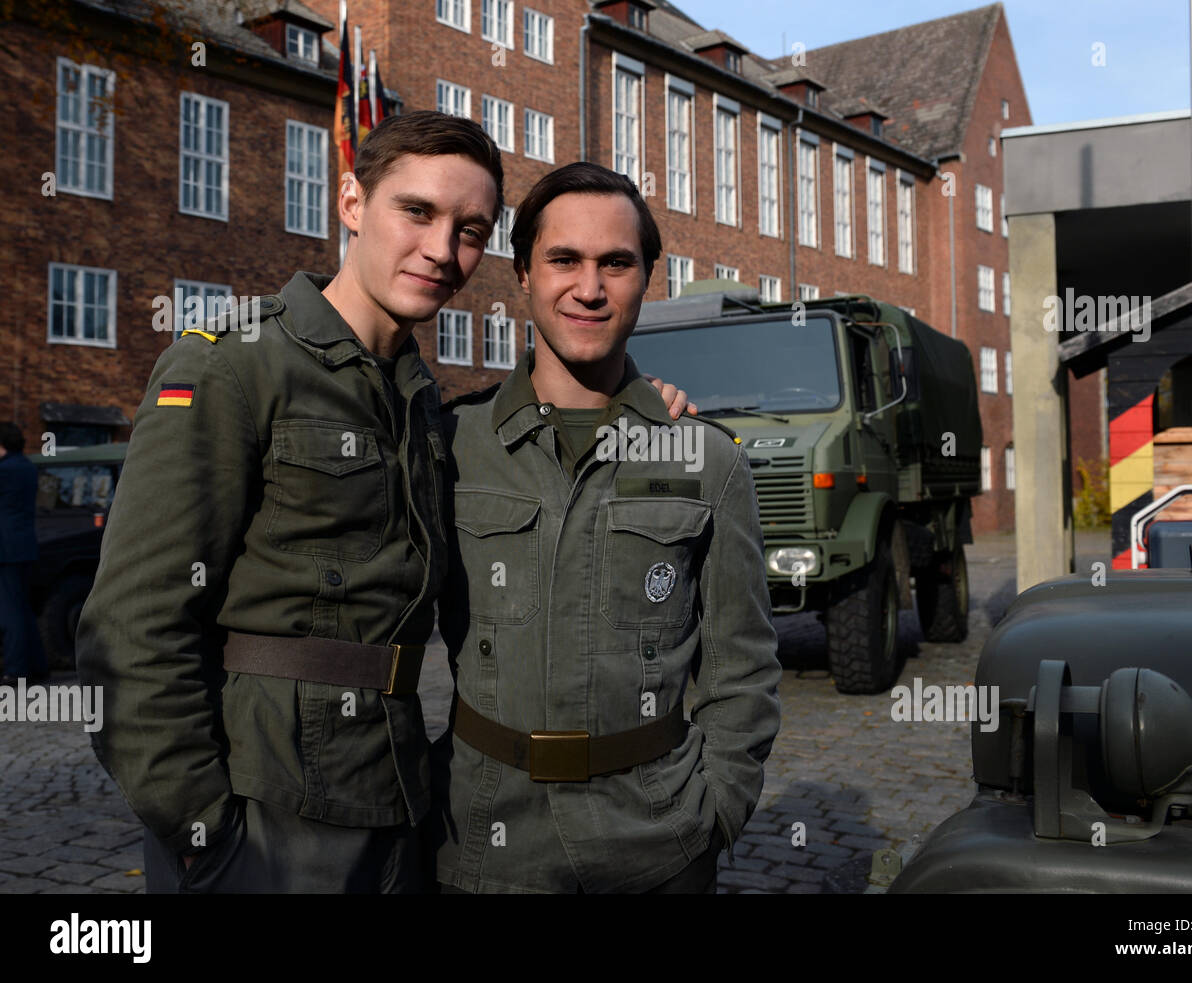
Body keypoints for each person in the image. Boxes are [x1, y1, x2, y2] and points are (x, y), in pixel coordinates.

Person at [75, 112, 506, 893]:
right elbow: (132, 628)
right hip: (265, 824)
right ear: (350, 201)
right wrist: (207, 838)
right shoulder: (234, 369)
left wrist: (643, 403)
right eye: (418, 211)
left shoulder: (417, 397)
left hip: (393, 803)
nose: (443, 251)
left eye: (471, 230)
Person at [431, 162, 782, 893]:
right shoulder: (451, 445)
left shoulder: (704, 459)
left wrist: (713, 817)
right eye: (564, 259)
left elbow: (741, 667)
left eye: (615, 263)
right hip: (483, 842)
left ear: (646, 277)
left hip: (652, 845)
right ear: (523, 273)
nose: (589, 288)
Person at [0, 422, 48, 686]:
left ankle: (17, 670)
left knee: (9, 613)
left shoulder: (4, 470)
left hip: (6, 549)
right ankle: (38, 665)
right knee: (23, 610)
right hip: (24, 545)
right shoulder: (28, 467)